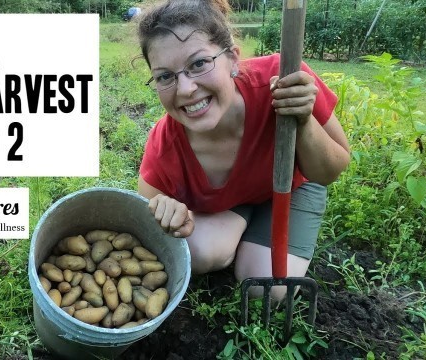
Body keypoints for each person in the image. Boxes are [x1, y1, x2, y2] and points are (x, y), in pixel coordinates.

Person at [135, 0, 351, 299]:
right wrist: (166, 211)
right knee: (196, 251)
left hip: (292, 183)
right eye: (165, 76)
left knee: (267, 288)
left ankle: (256, 233)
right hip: (235, 198)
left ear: (233, 59)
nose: (185, 89)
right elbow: (146, 213)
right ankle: (246, 221)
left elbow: (332, 169)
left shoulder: (284, 79)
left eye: (199, 64)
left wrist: (302, 121)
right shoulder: (165, 145)